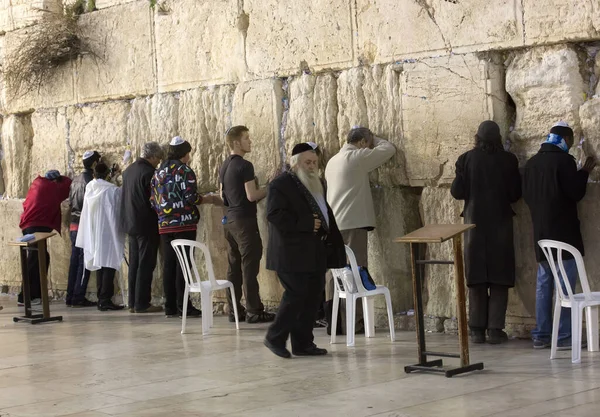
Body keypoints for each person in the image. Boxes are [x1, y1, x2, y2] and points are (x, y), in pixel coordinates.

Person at [264, 143, 346, 358]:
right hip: (290, 253)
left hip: (313, 252)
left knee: (311, 298)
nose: (311, 166)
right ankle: (275, 337)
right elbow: (274, 215)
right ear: (295, 163)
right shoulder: (281, 184)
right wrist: (306, 223)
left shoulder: (316, 184)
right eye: (307, 162)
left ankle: (303, 343)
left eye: (315, 163)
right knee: (296, 295)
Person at [523, 121, 596, 350]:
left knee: (544, 283)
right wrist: (584, 171)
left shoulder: (531, 164)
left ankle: (542, 334)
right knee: (566, 286)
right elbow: (575, 192)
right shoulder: (565, 162)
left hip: (541, 235)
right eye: (571, 141)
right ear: (565, 140)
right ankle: (564, 336)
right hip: (564, 235)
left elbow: (526, 195)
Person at [450, 120, 522, 344]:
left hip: (475, 225)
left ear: (477, 137)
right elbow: (514, 194)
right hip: (500, 225)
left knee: (477, 278)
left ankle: (476, 330)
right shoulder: (509, 160)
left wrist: (461, 172)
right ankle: (495, 330)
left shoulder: (466, 158)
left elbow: (457, 192)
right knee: (499, 279)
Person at [324, 126, 395, 334]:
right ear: (363, 142)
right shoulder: (356, 157)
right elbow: (388, 149)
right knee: (355, 271)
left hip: (334, 225)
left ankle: (334, 322)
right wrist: (375, 139)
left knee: (335, 273)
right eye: (367, 143)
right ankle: (352, 323)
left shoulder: (332, 161)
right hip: (352, 225)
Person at [151, 136, 222, 318]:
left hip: (164, 224)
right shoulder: (184, 171)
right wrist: (210, 199)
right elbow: (192, 198)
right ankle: (185, 306)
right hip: (184, 223)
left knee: (169, 265)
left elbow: (153, 200)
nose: (189, 157)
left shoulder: (158, 173)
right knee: (184, 266)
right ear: (184, 153)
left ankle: (170, 307)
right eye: (188, 153)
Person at [219, 126, 274, 324]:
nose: (250, 142)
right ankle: (254, 310)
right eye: (246, 138)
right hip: (244, 222)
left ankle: (234, 309)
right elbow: (252, 195)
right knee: (249, 267)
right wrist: (270, 187)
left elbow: (222, 195)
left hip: (230, 221)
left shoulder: (224, 165)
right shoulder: (245, 165)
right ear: (236, 143)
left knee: (234, 267)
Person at [121, 142, 164, 314]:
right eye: (158, 159)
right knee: (146, 264)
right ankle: (142, 303)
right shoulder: (149, 173)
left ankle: (132, 302)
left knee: (135, 264)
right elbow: (154, 200)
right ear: (152, 157)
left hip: (130, 223)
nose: (158, 163)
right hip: (145, 224)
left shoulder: (129, 170)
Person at [76, 162, 125, 311]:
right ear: (107, 174)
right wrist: (116, 178)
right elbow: (119, 205)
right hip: (108, 233)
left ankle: (101, 298)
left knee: (99, 266)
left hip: (94, 233)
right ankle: (105, 299)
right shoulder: (112, 191)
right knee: (108, 265)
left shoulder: (90, 188)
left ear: (94, 174)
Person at [18, 170, 72, 305]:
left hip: (28, 226)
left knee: (38, 258)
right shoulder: (52, 188)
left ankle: (33, 294)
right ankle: (27, 297)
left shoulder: (37, 183)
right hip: (37, 227)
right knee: (36, 260)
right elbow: (68, 184)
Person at [66, 151, 101, 308]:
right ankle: (78, 297)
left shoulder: (75, 180)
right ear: (94, 164)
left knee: (74, 261)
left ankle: (70, 296)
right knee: (83, 262)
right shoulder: (90, 182)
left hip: (73, 224)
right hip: (83, 225)